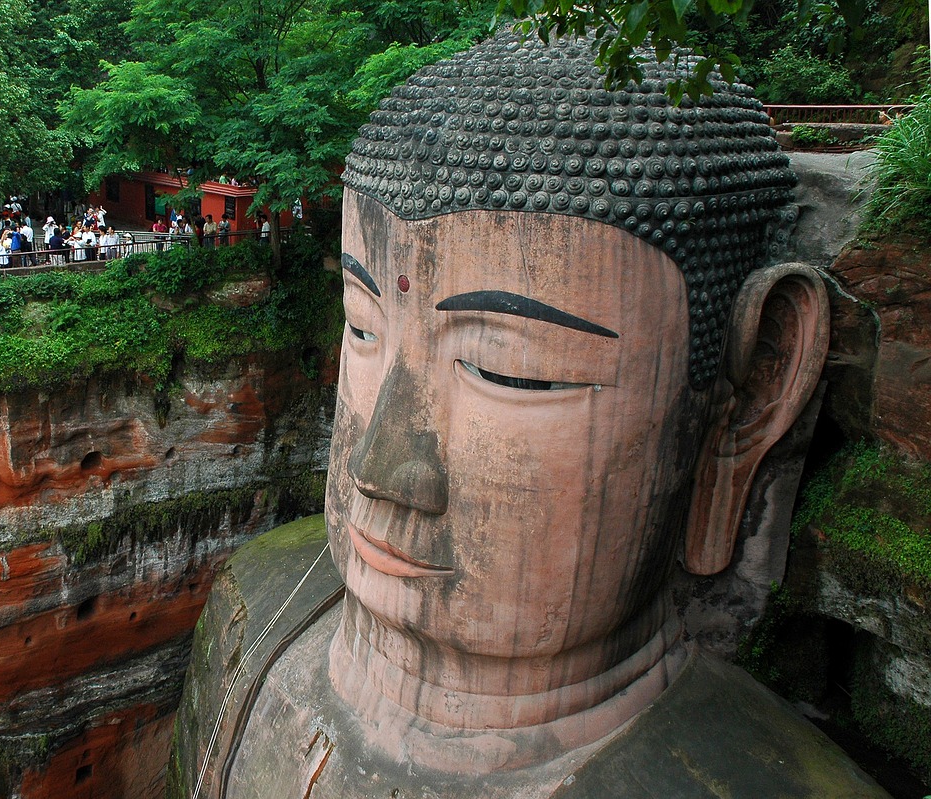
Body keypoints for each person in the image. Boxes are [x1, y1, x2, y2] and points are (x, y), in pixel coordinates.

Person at [174, 32, 887, 799]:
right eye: (361, 324)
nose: (377, 466)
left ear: (749, 398)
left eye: (509, 370)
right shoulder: (252, 610)